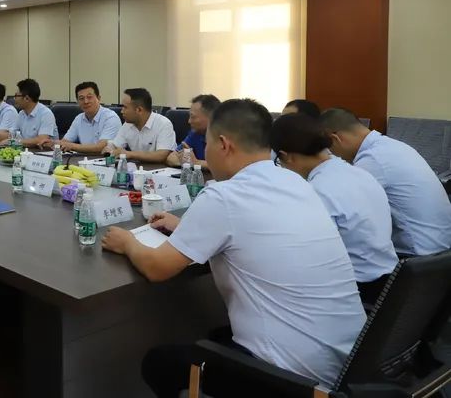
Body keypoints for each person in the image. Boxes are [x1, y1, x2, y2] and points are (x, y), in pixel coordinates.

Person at [102, 99, 365, 396]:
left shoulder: (224, 196)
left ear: (224, 144)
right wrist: (186, 228)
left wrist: (128, 242)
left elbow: (157, 267)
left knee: (158, 363)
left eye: (207, 144)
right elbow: (252, 231)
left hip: (292, 379)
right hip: (348, 364)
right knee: (215, 335)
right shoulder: (297, 183)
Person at [271, 113, 397, 303]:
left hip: (358, 289)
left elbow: (307, 255)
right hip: (390, 281)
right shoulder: (360, 173)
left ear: (285, 156)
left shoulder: (318, 190)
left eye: (278, 163)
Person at [320, 108, 451, 256]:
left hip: (418, 256)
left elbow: (344, 210)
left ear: (335, 139)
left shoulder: (372, 160)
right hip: (441, 247)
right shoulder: (393, 146)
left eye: (330, 150)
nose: (334, 155)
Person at [105, 88, 175, 164]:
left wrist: (129, 154)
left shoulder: (163, 124)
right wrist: (111, 149)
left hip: (159, 169)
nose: (122, 111)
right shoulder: (127, 124)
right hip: (137, 168)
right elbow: (116, 146)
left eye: (125, 107)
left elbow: (161, 155)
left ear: (139, 110)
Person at [54, 81, 120, 153]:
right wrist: (53, 143)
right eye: (81, 98)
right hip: (83, 158)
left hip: (106, 158)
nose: (86, 101)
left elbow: (101, 147)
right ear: (77, 102)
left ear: (99, 98)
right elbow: (65, 142)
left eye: (89, 97)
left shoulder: (110, 117)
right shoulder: (78, 119)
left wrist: (72, 146)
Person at [165, 94, 220, 168]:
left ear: (211, 118)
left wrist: (196, 163)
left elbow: (228, 166)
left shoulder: (226, 137)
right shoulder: (195, 134)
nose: (189, 121)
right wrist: (188, 163)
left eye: (193, 117)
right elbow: (171, 158)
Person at [11, 78, 58, 148]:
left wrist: (15, 142)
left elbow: (41, 140)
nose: (14, 99)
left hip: (45, 153)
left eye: (16, 96)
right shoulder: (21, 113)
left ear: (27, 98)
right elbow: (12, 134)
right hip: (27, 151)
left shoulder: (46, 114)